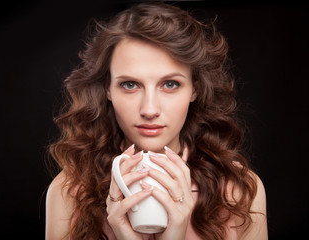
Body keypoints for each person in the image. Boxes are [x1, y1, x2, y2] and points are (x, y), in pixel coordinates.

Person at [45, 2, 267, 240]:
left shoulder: (238, 190)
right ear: (107, 89)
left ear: (195, 89)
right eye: (130, 85)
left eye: (170, 84)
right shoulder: (69, 191)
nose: (149, 110)